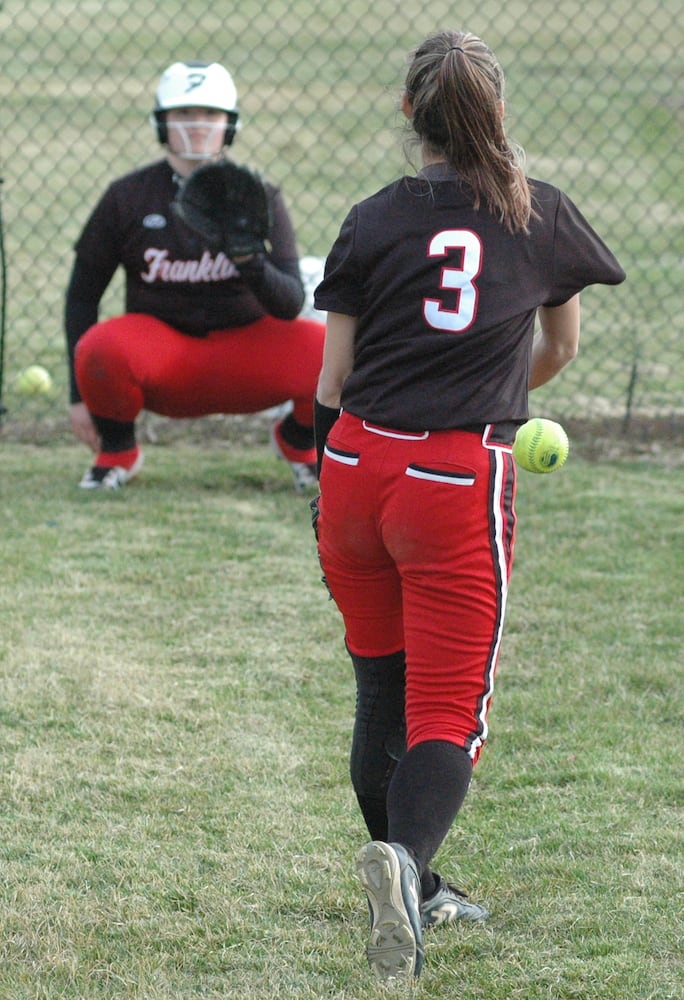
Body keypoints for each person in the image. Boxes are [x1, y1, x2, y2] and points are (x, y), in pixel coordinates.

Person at [312, 30, 625, 983]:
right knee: (448, 708)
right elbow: (560, 351)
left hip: (356, 465)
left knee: (381, 688)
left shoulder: (370, 219)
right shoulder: (540, 214)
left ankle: (420, 885)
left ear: (410, 115)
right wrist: (493, 385)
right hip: (455, 481)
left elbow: (333, 381)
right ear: (497, 112)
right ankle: (407, 871)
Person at [64, 60, 325, 491]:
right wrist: (78, 395)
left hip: (247, 347)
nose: (198, 125)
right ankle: (118, 450)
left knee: (335, 350)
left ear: (231, 123)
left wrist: (249, 261)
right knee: (101, 347)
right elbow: (81, 295)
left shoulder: (259, 194)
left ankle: (298, 442)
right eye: (184, 114)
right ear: (161, 122)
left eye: (210, 114)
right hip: (163, 353)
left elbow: (289, 302)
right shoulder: (128, 196)